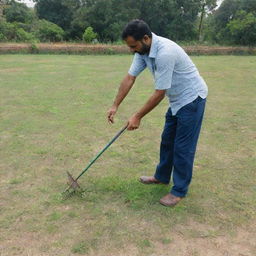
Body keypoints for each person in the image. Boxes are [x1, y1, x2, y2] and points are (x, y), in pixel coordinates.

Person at [107, 19, 208, 207]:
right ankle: (161, 177)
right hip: (177, 100)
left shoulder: (165, 53)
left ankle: (179, 191)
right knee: (167, 140)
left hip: (192, 99)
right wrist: (115, 105)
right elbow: (130, 78)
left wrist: (137, 116)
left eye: (133, 46)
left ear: (146, 38)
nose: (132, 50)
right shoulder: (142, 50)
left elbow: (159, 93)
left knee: (182, 147)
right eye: (130, 47)